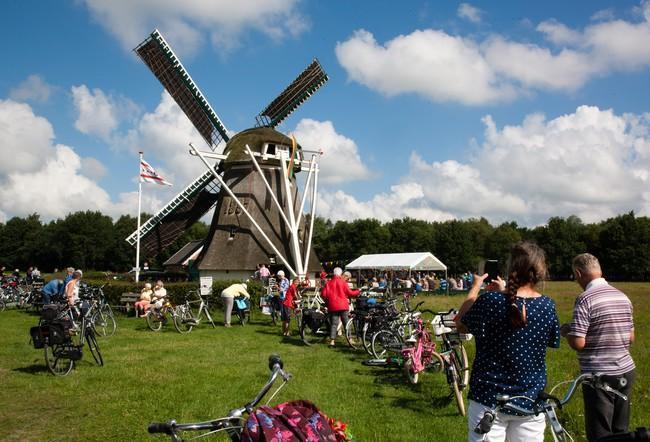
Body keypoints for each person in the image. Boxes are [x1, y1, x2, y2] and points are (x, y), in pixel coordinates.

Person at [455, 242, 560, 442]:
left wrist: (476, 287)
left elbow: (461, 323)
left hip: (488, 397)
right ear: (540, 270)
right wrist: (505, 292)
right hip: (530, 398)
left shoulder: (490, 301)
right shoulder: (547, 306)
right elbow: (544, 339)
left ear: (510, 267)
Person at [561, 253, 635, 442]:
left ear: (578, 273)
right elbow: (631, 338)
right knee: (621, 432)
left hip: (599, 375)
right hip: (626, 371)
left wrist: (567, 331)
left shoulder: (585, 299)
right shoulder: (622, 296)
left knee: (600, 434)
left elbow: (578, 343)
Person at [321, 267, 360, 347]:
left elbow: (323, 294)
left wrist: (328, 301)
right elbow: (350, 293)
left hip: (333, 306)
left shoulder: (329, 283)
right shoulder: (342, 282)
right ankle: (350, 340)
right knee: (346, 323)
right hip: (343, 306)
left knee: (334, 324)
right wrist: (358, 291)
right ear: (341, 274)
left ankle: (332, 341)